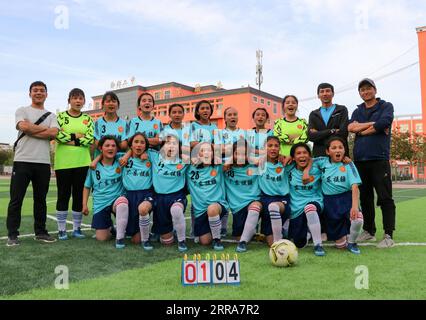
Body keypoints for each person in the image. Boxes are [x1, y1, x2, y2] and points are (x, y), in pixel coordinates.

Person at [6, 81, 59, 246]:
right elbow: (22, 126)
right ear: (30, 93)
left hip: (43, 162)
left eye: (42, 90)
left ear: (46, 94)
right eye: (35, 90)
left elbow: (54, 133)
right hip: (22, 160)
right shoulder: (22, 110)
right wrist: (42, 130)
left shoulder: (52, 115)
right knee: (16, 199)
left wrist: (31, 128)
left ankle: (41, 232)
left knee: (40, 200)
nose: (38, 93)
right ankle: (12, 234)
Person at [348, 78, 396, 248]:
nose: (365, 92)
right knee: (366, 198)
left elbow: (384, 122)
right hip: (360, 160)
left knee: (385, 197)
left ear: (374, 90)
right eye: (362, 90)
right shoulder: (357, 110)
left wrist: (363, 131)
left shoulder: (385, 106)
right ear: (360, 93)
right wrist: (372, 126)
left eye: (368, 88)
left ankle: (388, 234)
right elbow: (351, 128)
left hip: (379, 159)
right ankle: (369, 231)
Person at [311, 137, 364, 254]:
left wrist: (355, 206)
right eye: (333, 148)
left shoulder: (349, 164)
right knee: (340, 245)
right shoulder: (322, 161)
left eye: (340, 147)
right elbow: (305, 160)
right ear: (327, 151)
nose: (337, 150)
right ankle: (342, 238)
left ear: (344, 150)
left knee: (358, 218)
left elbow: (355, 186)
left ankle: (352, 242)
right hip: (330, 202)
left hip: (346, 198)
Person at [55, 88, 94, 240]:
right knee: (63, 195)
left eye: (81, 98)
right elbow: (58, 136)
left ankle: (77, 229)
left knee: (78, 195)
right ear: (69, 100)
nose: (78, 101)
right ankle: (61, 229)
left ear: (84, 101)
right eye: (75, 98)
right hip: (63, 163)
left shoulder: (88, 119)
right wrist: (76, 137)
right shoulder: (60, 117)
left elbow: (90, 138)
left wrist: (71, 141)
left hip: (83, 162)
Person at [82, 136, 129, 249]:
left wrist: (130, 154)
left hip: (117, 200)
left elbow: (133, 148)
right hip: (101, 203)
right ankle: (111, 228)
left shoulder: (121, 160)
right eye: (107, 145)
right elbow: (87, 186)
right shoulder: (93, 166)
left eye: (113, 146)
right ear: (101, 148)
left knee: (122, 203)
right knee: (102, 238)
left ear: (117, 149)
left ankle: (120, 238)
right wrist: (84, 205)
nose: (110, 148)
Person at [148, 134, 189, 252]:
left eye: (174, 143)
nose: (171, 146)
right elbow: (138, 145)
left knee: (176, 210)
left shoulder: (185, 160)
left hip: (177, 196)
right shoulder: (154, 157)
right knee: (167, 242)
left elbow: (207, 155)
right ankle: (168, 231)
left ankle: (182, 241)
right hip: (159, 198)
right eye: (168, 143)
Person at [186, 142, 228, 250]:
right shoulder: (189, 168)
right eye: (202, 150)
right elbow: (177, 152)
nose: (206, 153)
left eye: (209, 150)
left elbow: (235, 154)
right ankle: (212, 228)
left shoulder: (219, 167)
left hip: (217, 206)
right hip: (200, 211)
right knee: (204, 241)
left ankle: (217, 240)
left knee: (212, 209)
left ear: (214, 154)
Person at [224, 139, 262, 253]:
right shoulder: (227, 168)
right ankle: (249, 231)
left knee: (255, 207)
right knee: (237, 237)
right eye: (237, 154)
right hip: (237, 207)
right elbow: (217, 165)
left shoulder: (255, 167)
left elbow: (265, 159)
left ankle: (243, 243)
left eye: (244, 154)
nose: (240, 157)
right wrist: (229, 160)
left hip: (253, 201)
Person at [287, 143, 325, 256]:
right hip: (296, 208)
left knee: (310, 208)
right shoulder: (289, 168)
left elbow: (329, 158)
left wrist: (307, 170)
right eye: (298, 153)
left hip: (314, 201)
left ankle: (318, 244)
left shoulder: (317, 167)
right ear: (293, 157)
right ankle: (308, 232)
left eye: (305, 153)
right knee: (299, 243)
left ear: (309, 155)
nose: (302, 155)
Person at [122, 132, 155, 250]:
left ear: (146, 146)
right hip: (130, 195)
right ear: (131, 145)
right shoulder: (123, 159)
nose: (139, 145)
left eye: (142, 142)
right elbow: (106, 155)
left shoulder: (151, 156)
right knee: (135, 239)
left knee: (143, 208)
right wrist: (127, 155)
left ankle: (146, 240)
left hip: (146, 193)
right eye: (136, 142)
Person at [258, 136, 291, 246]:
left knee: (274, 207)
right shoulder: (259, 163)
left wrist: (289, 156)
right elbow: (241, 156)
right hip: (266, 200)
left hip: (282, 200)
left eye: (276, 146)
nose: (273, 148)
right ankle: (282, 228)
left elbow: (305, 158)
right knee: (270, 242)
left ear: (280, 149)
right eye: (270, 146)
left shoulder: (285, 163)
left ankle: (283, 230)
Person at [308, 83, 349, 157]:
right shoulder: (313, 114)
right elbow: (311, 136)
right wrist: (332, 131)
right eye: (322, 91)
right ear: (318, 95)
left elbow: (343, 133)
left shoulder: (341, 110)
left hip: (339, 156)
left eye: (327, 91)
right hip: (319, 157)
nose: (325, 94)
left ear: (333, 94)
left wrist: (319, 134)